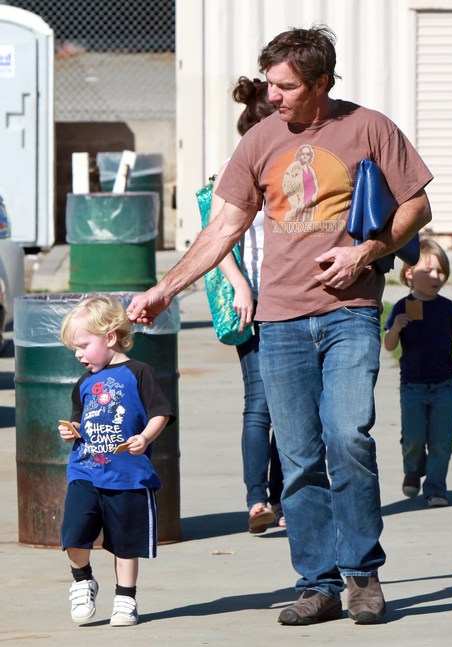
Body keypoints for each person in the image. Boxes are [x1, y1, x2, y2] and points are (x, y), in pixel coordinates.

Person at [128, 25, 433, 626]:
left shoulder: (369, 127)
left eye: (287, 86)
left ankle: (363, 575)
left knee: (348, 437)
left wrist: (365, 253)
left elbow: (417, 204)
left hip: (349, 313)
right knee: (297, 457)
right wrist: (166, 290)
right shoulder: (258, 142)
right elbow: (222, 229)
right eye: (270, 83)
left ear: (321, 83)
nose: (274, 95)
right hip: (281, 323)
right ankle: (317, 583)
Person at [58, 295, 175, 627]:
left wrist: (146, 438)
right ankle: (82, 579)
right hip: (85, 470)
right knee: (75, 532)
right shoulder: (83, 383)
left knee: (126, 542)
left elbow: (161, 413)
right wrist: (73, 431)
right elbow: (81, 420)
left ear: (109, 338)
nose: (78, 354)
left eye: (82, 345)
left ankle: (125, 598)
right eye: (74, 349)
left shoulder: (140, 373)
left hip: (128, 474)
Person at [209, 76, 285, 533]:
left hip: (296, 297)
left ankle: (288, 496)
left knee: (295, 405)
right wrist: (241, 287)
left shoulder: (295, 163)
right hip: (252, 300)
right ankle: (259, 500)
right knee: (260, 404)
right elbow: (217, 239)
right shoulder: (232, 168)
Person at [383, 238, 452, 507]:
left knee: (441, 441)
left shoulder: (448, 309)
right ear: (409, 274)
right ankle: (412, 471)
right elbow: (389, 346)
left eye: (441, 271)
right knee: (413, 438)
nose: (437, 276)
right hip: (413, 387)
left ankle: (435, 489)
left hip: (445, 386)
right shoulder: (403, 307)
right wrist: (395, 328)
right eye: (429, 270)